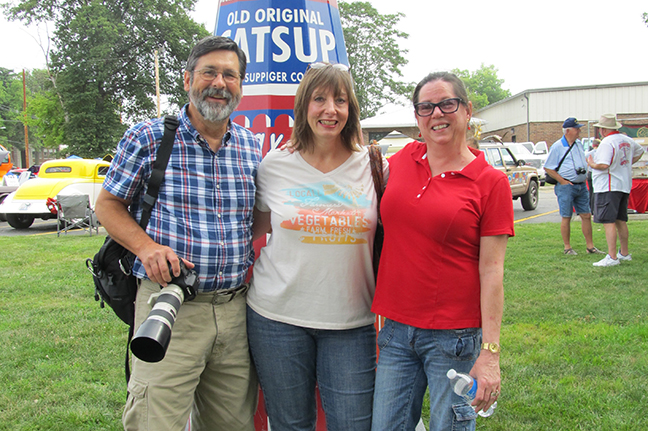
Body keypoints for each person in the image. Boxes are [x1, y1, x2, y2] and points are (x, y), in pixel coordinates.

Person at [95, 36, 260, 431]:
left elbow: (258, 221)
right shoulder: (149, 137)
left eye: (230, 75)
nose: (219, 83)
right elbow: (107, 206)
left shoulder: (252, 148)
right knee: (156, 422)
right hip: (171, 305)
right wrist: (146, 248)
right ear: (187, 79)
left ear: (240, 86)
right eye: (209, 72)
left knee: (233, 424)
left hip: (236, 310)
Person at [370, 71, 514, 431]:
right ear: (417, 118)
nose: (436, 114)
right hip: (395, 329)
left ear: (466, 111)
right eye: (425, 107)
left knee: (448, 426)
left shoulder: (490, 182)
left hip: (454, 337)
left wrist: (490, 354)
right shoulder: (401, 160)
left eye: (446, 104)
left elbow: (492, 270)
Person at [247, 63, 382, 431]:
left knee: (353, 424)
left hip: (352, 321)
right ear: (303, 105)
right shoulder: (274, 165)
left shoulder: (371, 165)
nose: (330, 110)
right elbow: (254, 229)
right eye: (319, 99)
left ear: (351, 108)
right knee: (291, 425)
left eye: (340, 100)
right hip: (276, 318)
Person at [587, 114, 645, 267]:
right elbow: (639, 152)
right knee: (620, 220)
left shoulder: (607, 143)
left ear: (604, 130)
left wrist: (592, 164)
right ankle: (624, 253)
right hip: (622, 184)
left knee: (608, 221)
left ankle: (612, 257)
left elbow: (604, 165)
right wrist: (625, 165)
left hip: (608, 186)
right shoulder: (626, 140)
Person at [544, 117, 603, 256]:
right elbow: (548, 168)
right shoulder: (558, 146)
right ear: (568, 130)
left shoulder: (578, 144)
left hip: (581, 185)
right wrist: (563, 181)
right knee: (566, 216)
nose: (579, 131)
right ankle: (567, 247)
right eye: (577, 129)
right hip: (566, 187)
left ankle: (590, 246)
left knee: (586, 215)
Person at [585, 138, 601, 210]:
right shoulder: (601, 153)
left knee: (591, 191)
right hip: (598, 173)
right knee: (597, 191)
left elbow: (586, 163)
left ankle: (591, 208)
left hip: (590, 173)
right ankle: (596, 207)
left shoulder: (588, 154)